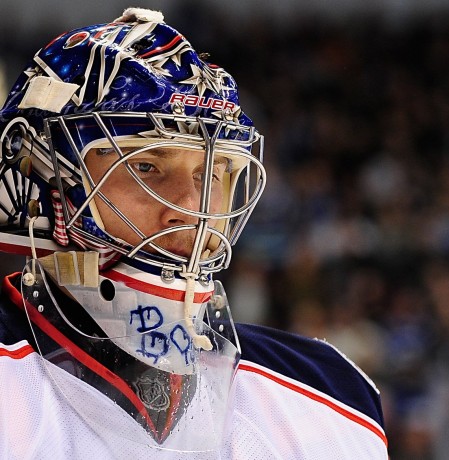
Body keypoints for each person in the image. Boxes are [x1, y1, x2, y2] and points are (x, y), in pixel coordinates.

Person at [0, 8, 388, 459]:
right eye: (145, 166)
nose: (190, 208)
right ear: (46, 181)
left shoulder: (332, 395)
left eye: (212, 172)